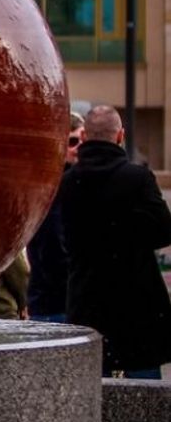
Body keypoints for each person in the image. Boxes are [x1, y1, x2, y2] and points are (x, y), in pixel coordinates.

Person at [59, 105, 171, 378]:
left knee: (91, 390)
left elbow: (62, 240)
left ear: (84, 136)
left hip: (86, 305)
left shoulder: (68, 183)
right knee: (145, 396)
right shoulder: (138, 179)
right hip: (138, 310)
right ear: (120, 136)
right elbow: (164, 231)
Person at [26, 112, 85, 323]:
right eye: (73, 142)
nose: (78, 148)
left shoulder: (68, 181)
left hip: (52, 300)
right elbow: (52, 245)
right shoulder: (55, 185)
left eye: (83, 142)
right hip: (55, 302)